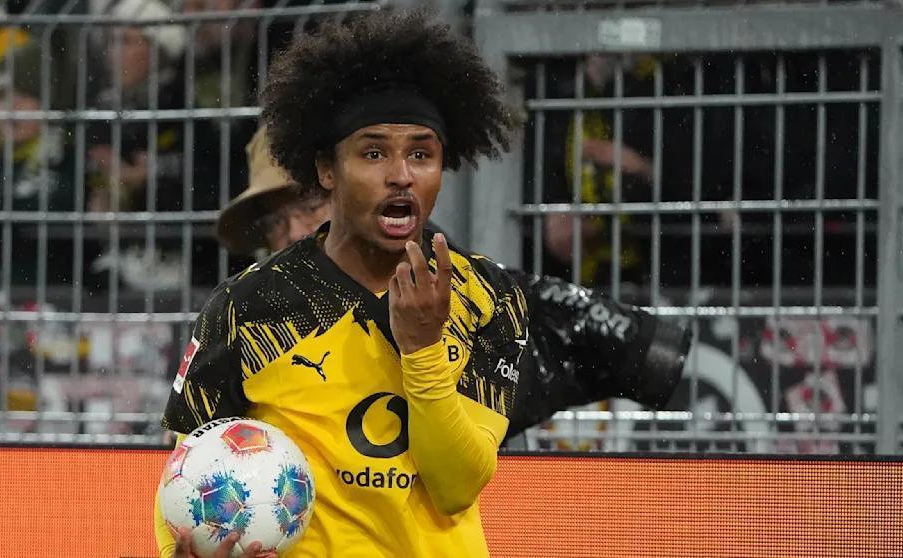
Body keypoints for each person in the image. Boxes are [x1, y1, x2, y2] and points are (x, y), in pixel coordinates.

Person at [157, 10, 529, 557]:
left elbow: (456, 487)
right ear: (326, 170)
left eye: (421, 153)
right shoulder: (248, 305)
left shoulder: (487, 296)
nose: (401, 175)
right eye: (373, 153)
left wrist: (423, 351)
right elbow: (185, 473)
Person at [219, 125, 691, 442]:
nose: (292, 233)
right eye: (274, 223)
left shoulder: (472, 298)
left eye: (307, 208)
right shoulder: (250, 312)